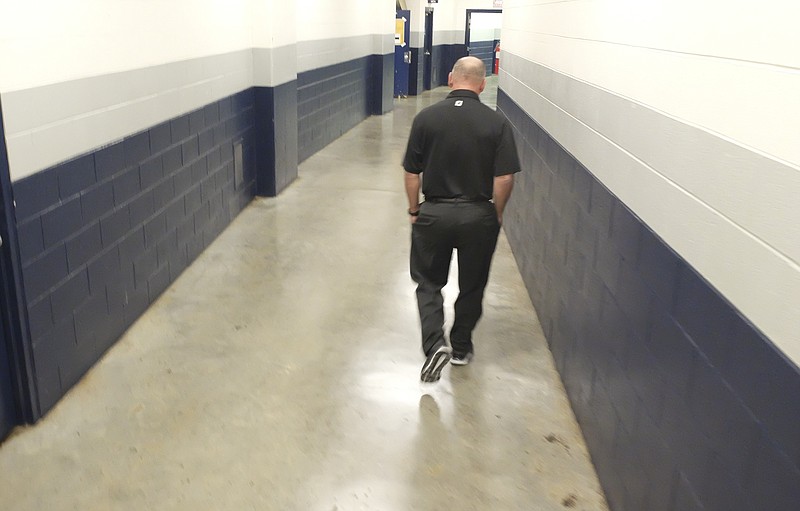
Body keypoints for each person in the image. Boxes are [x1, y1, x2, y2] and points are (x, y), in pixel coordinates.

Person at [402, 56, 521, 383]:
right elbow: (505, 177)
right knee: (473, 284)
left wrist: (415, 210)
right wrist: (495, 212)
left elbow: (412, 173)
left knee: (428, 282)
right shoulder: (496, 123)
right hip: (477, 214)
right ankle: (461, 346)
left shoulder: (425, 118)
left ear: (452, 79)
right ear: (482, 85)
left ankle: (433, 343)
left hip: (434, 213)